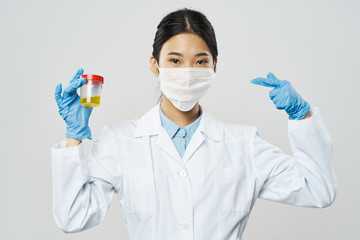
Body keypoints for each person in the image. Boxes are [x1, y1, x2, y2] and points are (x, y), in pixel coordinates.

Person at [52, 7, 337, 240]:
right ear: (155, 65)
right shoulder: (120, 140)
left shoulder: (244, 144)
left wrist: (302, 115)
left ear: (214, 66)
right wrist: (73, 137)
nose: (187, 73)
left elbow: (318, 190)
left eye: (200, 62)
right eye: (175, 61)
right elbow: (72, 216)